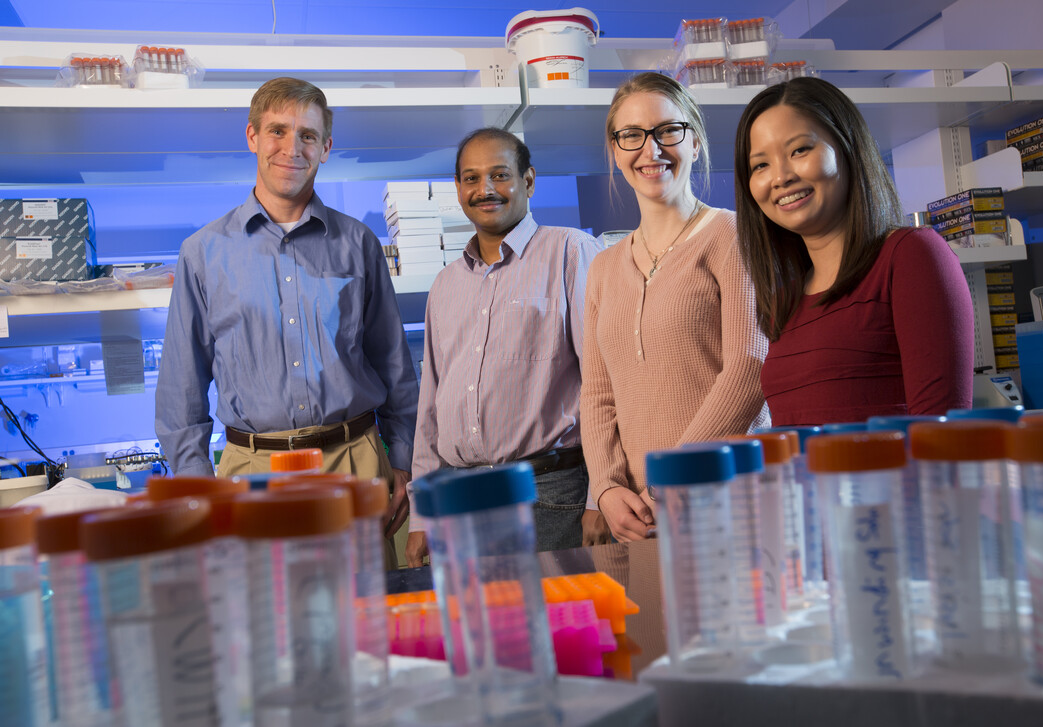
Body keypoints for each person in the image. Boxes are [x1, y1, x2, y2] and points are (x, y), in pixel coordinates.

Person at [155, 77, 419, 553]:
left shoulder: (358, 244)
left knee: (366, 618)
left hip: (354, 465)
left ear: (326, 147)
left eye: (308, 136)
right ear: (252, 136)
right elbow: (181, 389)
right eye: (277, 131)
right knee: (265, 622)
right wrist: (197, 487)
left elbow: (394, 366)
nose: (291, 148)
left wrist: (402, 460)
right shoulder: (203, 253)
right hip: (253, 475)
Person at [582, 72, 770, 543]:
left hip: (727, 494)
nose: (652, 150)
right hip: (639, 515)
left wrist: (676, 475)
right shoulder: (603, 267)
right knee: (653, 620)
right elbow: (597, 391)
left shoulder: (734, 235)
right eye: (632, 136)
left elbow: (750, 367)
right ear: (615, 150)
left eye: (669, 131)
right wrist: (606, 487)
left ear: (697, 141)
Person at [405, 128, 604, 566]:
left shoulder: (570, 252)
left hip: (548, 497)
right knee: (475, 630)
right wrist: (421, 514)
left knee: (556, 629)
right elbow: (430, 408)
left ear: (528, 181)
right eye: (471, 178)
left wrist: (599, 495)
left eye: (500, 174)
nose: (485, 190)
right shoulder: (445, 284)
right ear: (458, 189)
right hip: (460, 499)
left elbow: (603, 383)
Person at [734, 76, 974, 426]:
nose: (780, 177)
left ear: (848, 147)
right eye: (760, 165)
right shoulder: (784, 303)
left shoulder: (911, 256)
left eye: (799, 150)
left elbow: (945, 436)